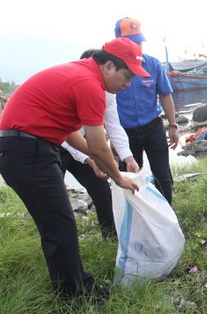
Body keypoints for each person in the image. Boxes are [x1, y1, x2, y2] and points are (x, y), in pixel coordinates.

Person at [0, 38, 145, 300]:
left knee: (59, 222)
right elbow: (100, 144)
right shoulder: (89, 85)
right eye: (126, 77)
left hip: (27, 148)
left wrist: (93, 159)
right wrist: (118, 177)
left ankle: (78, 285)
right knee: (59, 224)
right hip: (27, 151)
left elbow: (69, 132)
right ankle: (74, 295)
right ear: (109, 66)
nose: (127, 85)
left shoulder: (79, 73)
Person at [58, 49, 141, 237]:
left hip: (85, 143)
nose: (127, 84)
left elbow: (114, 125)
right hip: (59, 145)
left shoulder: (107, 93)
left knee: (102, 189)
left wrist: (128, 157)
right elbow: (67, 136)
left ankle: (110, 235)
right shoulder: (82, 85)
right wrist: (90, 159)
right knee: (57, 199)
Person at [114, 17, 179, 204]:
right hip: (125, 132)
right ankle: (137, 215)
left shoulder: (153, 64)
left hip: (152, 126)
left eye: (139, 42)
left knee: (162, 174)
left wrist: (173, 126)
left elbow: (165, 95)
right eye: (131, 42)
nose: (136, 47)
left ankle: (167, 213)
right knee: (129, 175)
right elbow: (105, 106)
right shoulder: (112, 70)